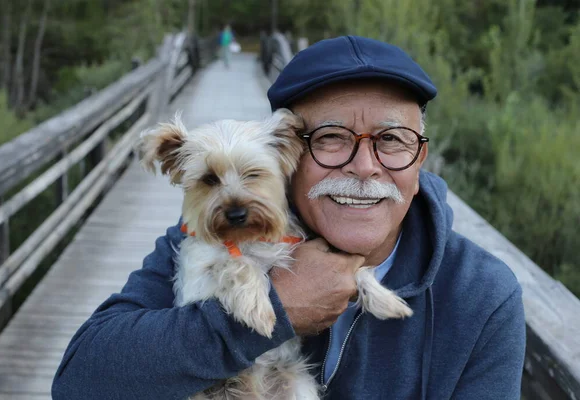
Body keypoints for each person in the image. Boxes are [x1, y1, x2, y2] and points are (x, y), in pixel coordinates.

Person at [52, 36, 526, 399]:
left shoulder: (482, 297)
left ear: (420, 159)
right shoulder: (210, 241)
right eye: (332, 138)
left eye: (392, 139)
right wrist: (274, 313)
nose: (365, 167)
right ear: (290, 154)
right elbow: (80, 379)